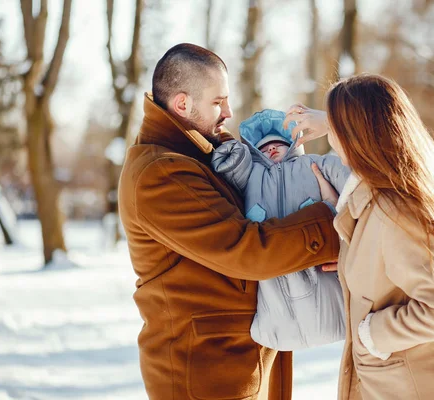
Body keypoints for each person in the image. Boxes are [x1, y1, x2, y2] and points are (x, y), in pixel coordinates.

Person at [117, 43, 341, 400]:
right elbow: (245, 248)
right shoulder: (161, 172)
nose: (229, 112)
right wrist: (331, 225)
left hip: (240, 356)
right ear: (182, 104)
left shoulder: (213, 154)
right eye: (218, 102)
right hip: (206, 368)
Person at [283, 74, 434, 400]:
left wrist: (372, 335)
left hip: (409, 388)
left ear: (356, 137)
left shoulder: (397, 212)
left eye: (336, 129)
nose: (330, 140)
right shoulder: (398, 186)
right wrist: (355, 259)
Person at [211, 109, 350, 351]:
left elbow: (353, 183)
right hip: (275, 293)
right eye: (264, 148)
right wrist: (231, 154)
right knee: (274, 289)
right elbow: (227, 170)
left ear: (294, 144)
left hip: (322, 275)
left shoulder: (313, 164)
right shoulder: (251, 177)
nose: (272, 149)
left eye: (278, 144)